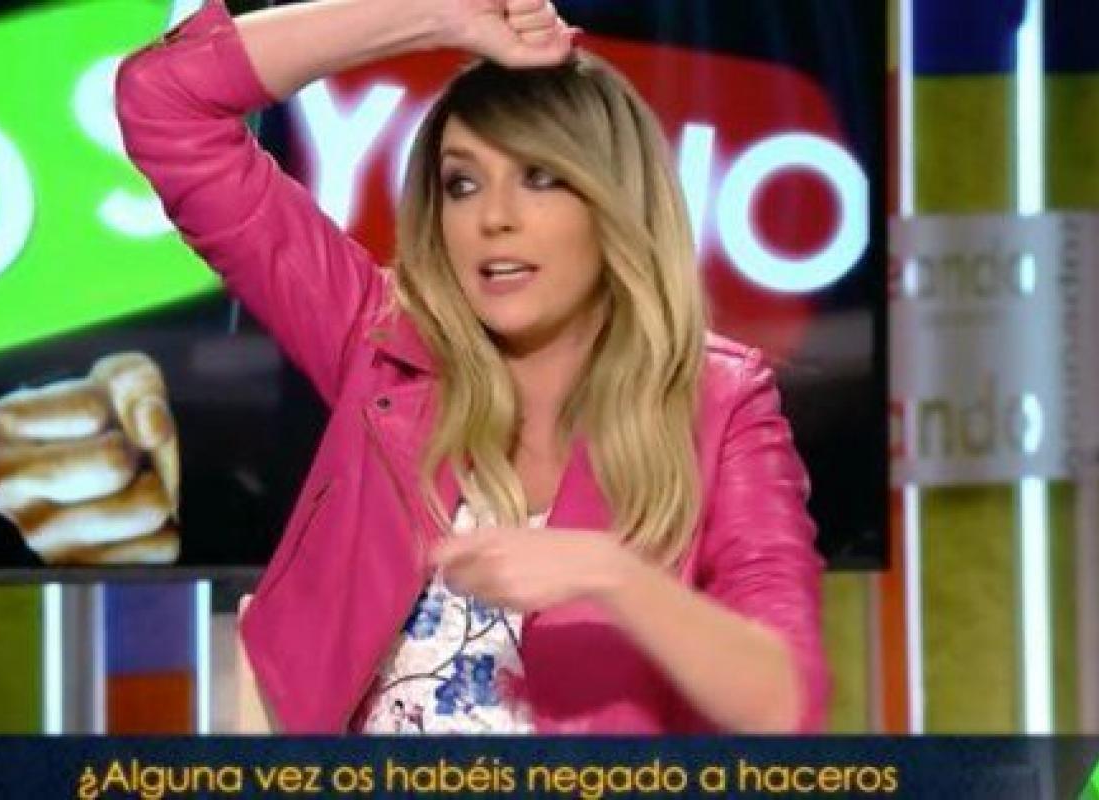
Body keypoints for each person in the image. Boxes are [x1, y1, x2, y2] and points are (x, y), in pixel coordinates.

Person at [116, 0, 829, 734]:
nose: (494, 218)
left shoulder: (721, 403)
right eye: (463, 183)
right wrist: (437, 17)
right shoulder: (381, 345)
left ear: (616, 203)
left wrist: (611, 575)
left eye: (540, 178)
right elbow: (165, 100)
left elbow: (784, 704)